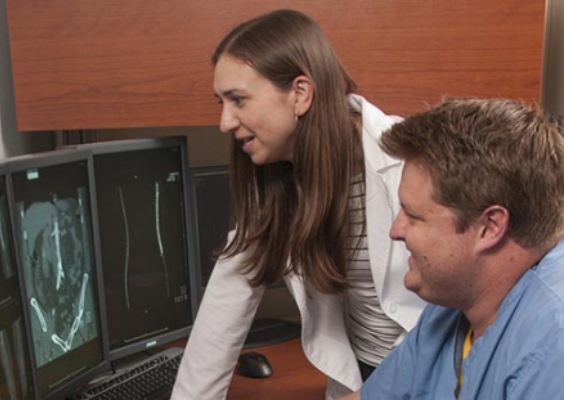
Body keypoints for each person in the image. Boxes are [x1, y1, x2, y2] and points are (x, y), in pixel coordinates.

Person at [171, 9, 426, 400]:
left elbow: (458, 309)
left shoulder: (409, 161)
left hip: (426, 373)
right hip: (358, 376)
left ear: (300, 93)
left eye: (238, 99)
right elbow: (228, 301)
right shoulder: (274, 177)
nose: (224, 122)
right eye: (220, 102)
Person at [339, 97, 564, 400]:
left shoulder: (553, 345)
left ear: (489, 227)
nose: (395, 231)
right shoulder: (451, 303)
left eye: (414, 216)